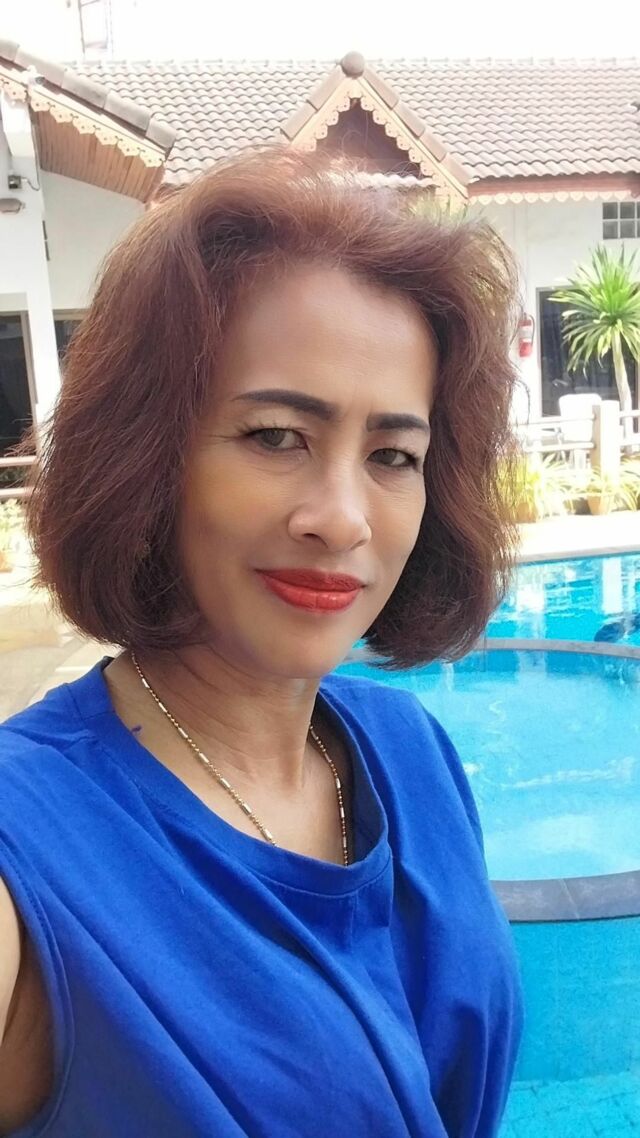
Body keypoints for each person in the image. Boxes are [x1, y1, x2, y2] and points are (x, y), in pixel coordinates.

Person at [0, 149, 523, 1138]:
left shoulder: (410, 749)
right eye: (276, 436)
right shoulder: (27, 839)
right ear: (150, 457)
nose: (342, 517)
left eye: (393, 455)